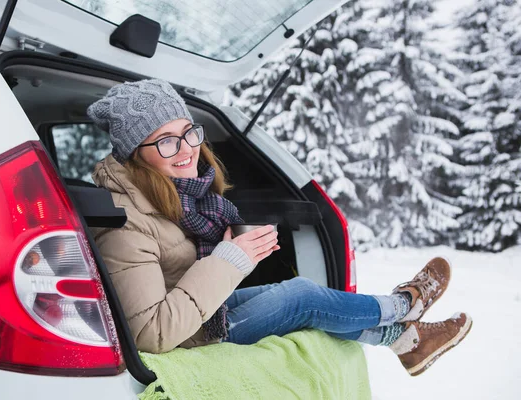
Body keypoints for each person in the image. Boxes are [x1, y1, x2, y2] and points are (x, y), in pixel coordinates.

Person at [87, 78, 472, 377]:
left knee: (289, 292)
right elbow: (151, 334)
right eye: (167, 141)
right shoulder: (125, 221)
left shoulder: (176, 194)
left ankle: (405, 340)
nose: (187, 149)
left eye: (189, 132)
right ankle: (406, 305)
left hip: (201, 315)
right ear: (135, 155)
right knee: (302, 298)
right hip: (187, 337)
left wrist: (234, 252)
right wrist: (228, 260)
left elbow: (180, 275)